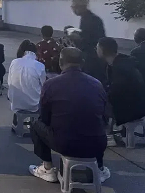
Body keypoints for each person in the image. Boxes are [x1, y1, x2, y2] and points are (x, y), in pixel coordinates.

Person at [29, 47, 110, 183]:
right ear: (82, 63)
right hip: (97, 144)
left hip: (65, 144)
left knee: (36, 124)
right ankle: (99, 168)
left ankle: (47, 168)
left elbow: (44, 118)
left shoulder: (50, 85)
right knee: (96, 124)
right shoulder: (97, 84)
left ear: (60, 63)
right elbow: (104, 116)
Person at [97, 37, 145, 126]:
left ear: (102, 49)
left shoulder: (120, 68)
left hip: (131, 115)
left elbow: (117, 91)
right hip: (134, 112)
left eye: (97, 47)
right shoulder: (119, 63)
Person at [71, 0, 107, 84]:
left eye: (74, 7)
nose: (73, 9)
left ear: (81, 6)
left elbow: (94, 40)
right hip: (91, 56)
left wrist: (77, 38)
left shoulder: (92, 19)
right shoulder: (86, 18)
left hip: (93, 59)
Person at [8, 40, 46, 113]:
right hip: (34, 104)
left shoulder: (14, 62)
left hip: (15, 102)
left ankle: (17, 119)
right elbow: (44, 86)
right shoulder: (40, 66)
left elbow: (10, 83)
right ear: (35, 53)